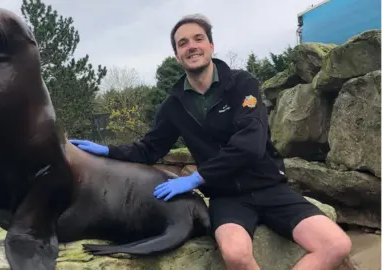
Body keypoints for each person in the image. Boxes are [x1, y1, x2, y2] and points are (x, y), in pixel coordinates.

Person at [69, 14, 352, 270]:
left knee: (336, 245)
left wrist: (198, 178)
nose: (191, 46)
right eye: (182, 43)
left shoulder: (242, 84)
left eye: (198, 39)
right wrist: (107, 151)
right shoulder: (174, 105)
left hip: (269, 188)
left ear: (211, 46)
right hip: (227, 197)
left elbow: (251, 142)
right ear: (178, 56)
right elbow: (150, 148)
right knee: (236, 254)